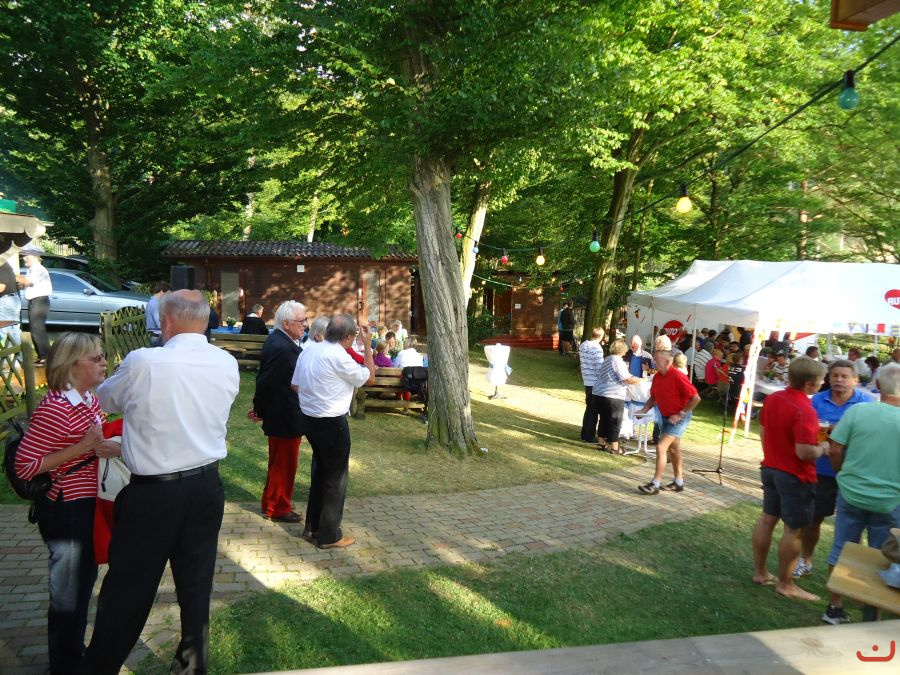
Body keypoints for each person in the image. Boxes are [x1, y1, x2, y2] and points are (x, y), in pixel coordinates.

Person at [78, 290, 240, 674]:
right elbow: (186, 422)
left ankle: (99, 667)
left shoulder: (144, 361)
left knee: (127, 590)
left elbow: (106, 399)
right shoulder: (226, 362)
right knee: (196, 586)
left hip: (155, 493)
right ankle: (192, 666)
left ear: (166, 321)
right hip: (206, 486)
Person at [15, 333, 116, 674]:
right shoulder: (55, 408)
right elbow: (25, 466)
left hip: (86, 505)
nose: (104, 362)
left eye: (103, 356)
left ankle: (72, 655)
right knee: (68, 594)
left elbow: (94, 443)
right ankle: (63, 665)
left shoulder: (87, 399)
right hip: (66, 509)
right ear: (73, 365)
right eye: (96, 358)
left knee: (81, 585)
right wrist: (83, 446)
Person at [822, 362, 900, 624]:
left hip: (851, 492)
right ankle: (872, 611)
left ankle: (834, 607)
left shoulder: (858, 411)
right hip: (891, 500)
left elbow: (834, 448)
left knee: (842, 547)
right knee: (884, 555)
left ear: (877, 384)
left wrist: (841, 472)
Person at [291, 315, 375, 549]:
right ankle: (329, 535)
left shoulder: (309, 350)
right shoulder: (339, 356)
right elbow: (370, 377)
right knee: (335, 479)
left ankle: (314, 526)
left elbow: (295, 385)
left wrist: (315, 395)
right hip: (331, 422)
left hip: (310, 419)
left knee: (320, 472)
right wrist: (368, 345)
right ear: (348, 337)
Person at [751, 356, 828, 601]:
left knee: (767, 520)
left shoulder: (773, 399)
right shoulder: (805, 410)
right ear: (808, 384)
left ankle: (761, 573)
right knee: (794, 530)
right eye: (821, 380)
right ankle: (786, 584)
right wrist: (824, 448)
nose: (823, 383)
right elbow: (804, 452)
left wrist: (772, 456)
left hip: (771, 468)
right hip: (795, 475)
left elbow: (763, 431)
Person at [794, 360, 873, 581]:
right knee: (813, 519)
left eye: (844, 376)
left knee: (854, 524)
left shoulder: (866, 404)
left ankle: (848, 571)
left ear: (855, 380)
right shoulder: (817, 400)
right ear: (828, 378)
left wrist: (839, 431)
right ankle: (805, 561)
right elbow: (805, 430)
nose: (839, 380)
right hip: (822, 471)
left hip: (854, 471)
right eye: (835, 375)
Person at [251, 301, 308, 522]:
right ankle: (278, 507)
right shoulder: (282, 347)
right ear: (286, 323)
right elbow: (266, 382)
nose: (305, 324)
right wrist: (259, 410)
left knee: (280, 463)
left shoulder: (281, 341)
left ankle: (272, 503)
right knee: (283, 464)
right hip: (284, 414)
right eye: (301, 320)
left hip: (284, 412)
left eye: (305, 319)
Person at [636, 349, 700, 494]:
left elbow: (696, 398)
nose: (653, 362)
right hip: (667, 416)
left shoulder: (678, 376)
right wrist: (643, 410)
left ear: (667, 362)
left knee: (661, 447)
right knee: (674, 449)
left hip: (679, 417)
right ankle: (678, 482)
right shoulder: (657, 377)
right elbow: (653, 397)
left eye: (656, 360)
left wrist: (680, 414)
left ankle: (655, 484)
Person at [592, 339, 641, 454]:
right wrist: (641, 380)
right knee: (615, 420)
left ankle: (601, 443)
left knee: (603, 418)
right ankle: (614, 447)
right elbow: (627, 379)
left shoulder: (607, 359)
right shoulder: (617, 361)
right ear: (623, 350)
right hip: (613, 394)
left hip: (599, 393)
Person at [17, 244, 52, 362]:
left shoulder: (38, 269)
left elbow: (28, 282)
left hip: (40, 301)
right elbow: (24, 284)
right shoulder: (31, 270)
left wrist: (12, 275)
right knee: (34, 328)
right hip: (34, 301)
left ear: (34, 257)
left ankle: (46, 356)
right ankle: (42, 356)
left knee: (37, 328)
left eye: (26, 256)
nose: (24, 258)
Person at [579, 327, 605, 443]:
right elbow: (599, 367)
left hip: (587, 379)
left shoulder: (583, 345)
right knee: (593, 410)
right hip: (595, 381)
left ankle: (585, 433)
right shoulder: (597, 349)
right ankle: (589, 435)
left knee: (589, 408)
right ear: (601, 336)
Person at [0, 257, 22, 346]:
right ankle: (20, 353)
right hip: (12, 300)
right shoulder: (6, 265)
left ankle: (5, 354)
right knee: (14, 330)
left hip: (6, 301)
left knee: (3, 330)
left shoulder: (2, 266)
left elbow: (1, 287)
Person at [145, 281, 171, 345]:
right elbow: (160, 323)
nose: (169, 296)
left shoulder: (152, 302)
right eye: (168, 294)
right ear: (161, 292)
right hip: (158, 337)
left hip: (157, 336)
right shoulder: (155, 304)